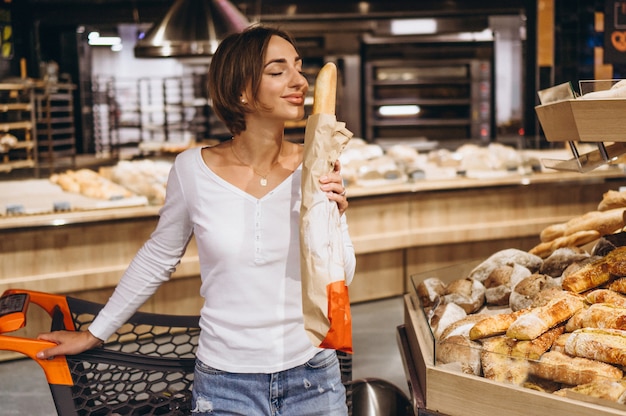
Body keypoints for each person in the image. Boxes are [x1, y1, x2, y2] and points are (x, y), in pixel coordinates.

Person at [36, 24, 356, 416]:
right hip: (225, 386)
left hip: (313, 377)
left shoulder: (317, 164)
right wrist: (94, 333)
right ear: (241, 90)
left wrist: (335, 218)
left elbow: (343, 277)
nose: (299, 81)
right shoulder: (193, 170)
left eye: (298, 67)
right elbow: (158, 256)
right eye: (278, 71)